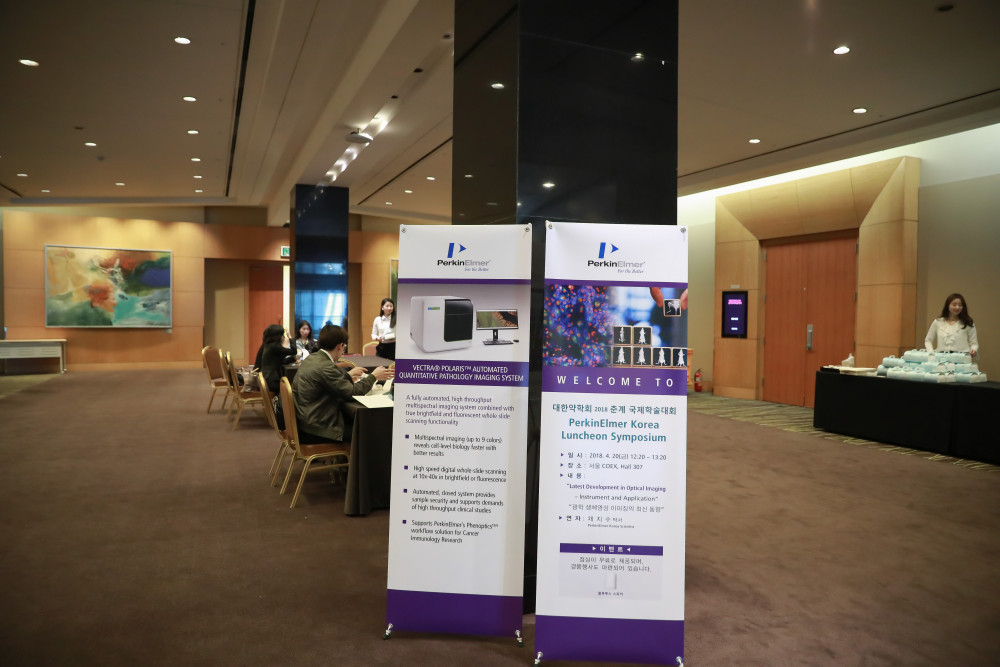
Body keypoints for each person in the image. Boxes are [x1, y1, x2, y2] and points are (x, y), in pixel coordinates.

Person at [293, 324, 393, 443]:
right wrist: (373, 376)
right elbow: (352, 392)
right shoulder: (326, 366)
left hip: (307, 421)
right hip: (319, 428)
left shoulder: (312, 358)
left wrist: (347, 376)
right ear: (340, 346)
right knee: (373, 431)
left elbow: (327, 382)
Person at [925, 293, 979, 357]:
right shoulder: (938, 322)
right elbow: (928, 340)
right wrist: (931, 354)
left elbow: (973, 343)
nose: (957, 307)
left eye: (960, 305)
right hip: (941, 358)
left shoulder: (968, 323)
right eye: (954, 305)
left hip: (962, 358)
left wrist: (973, 349)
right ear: (948, 305)